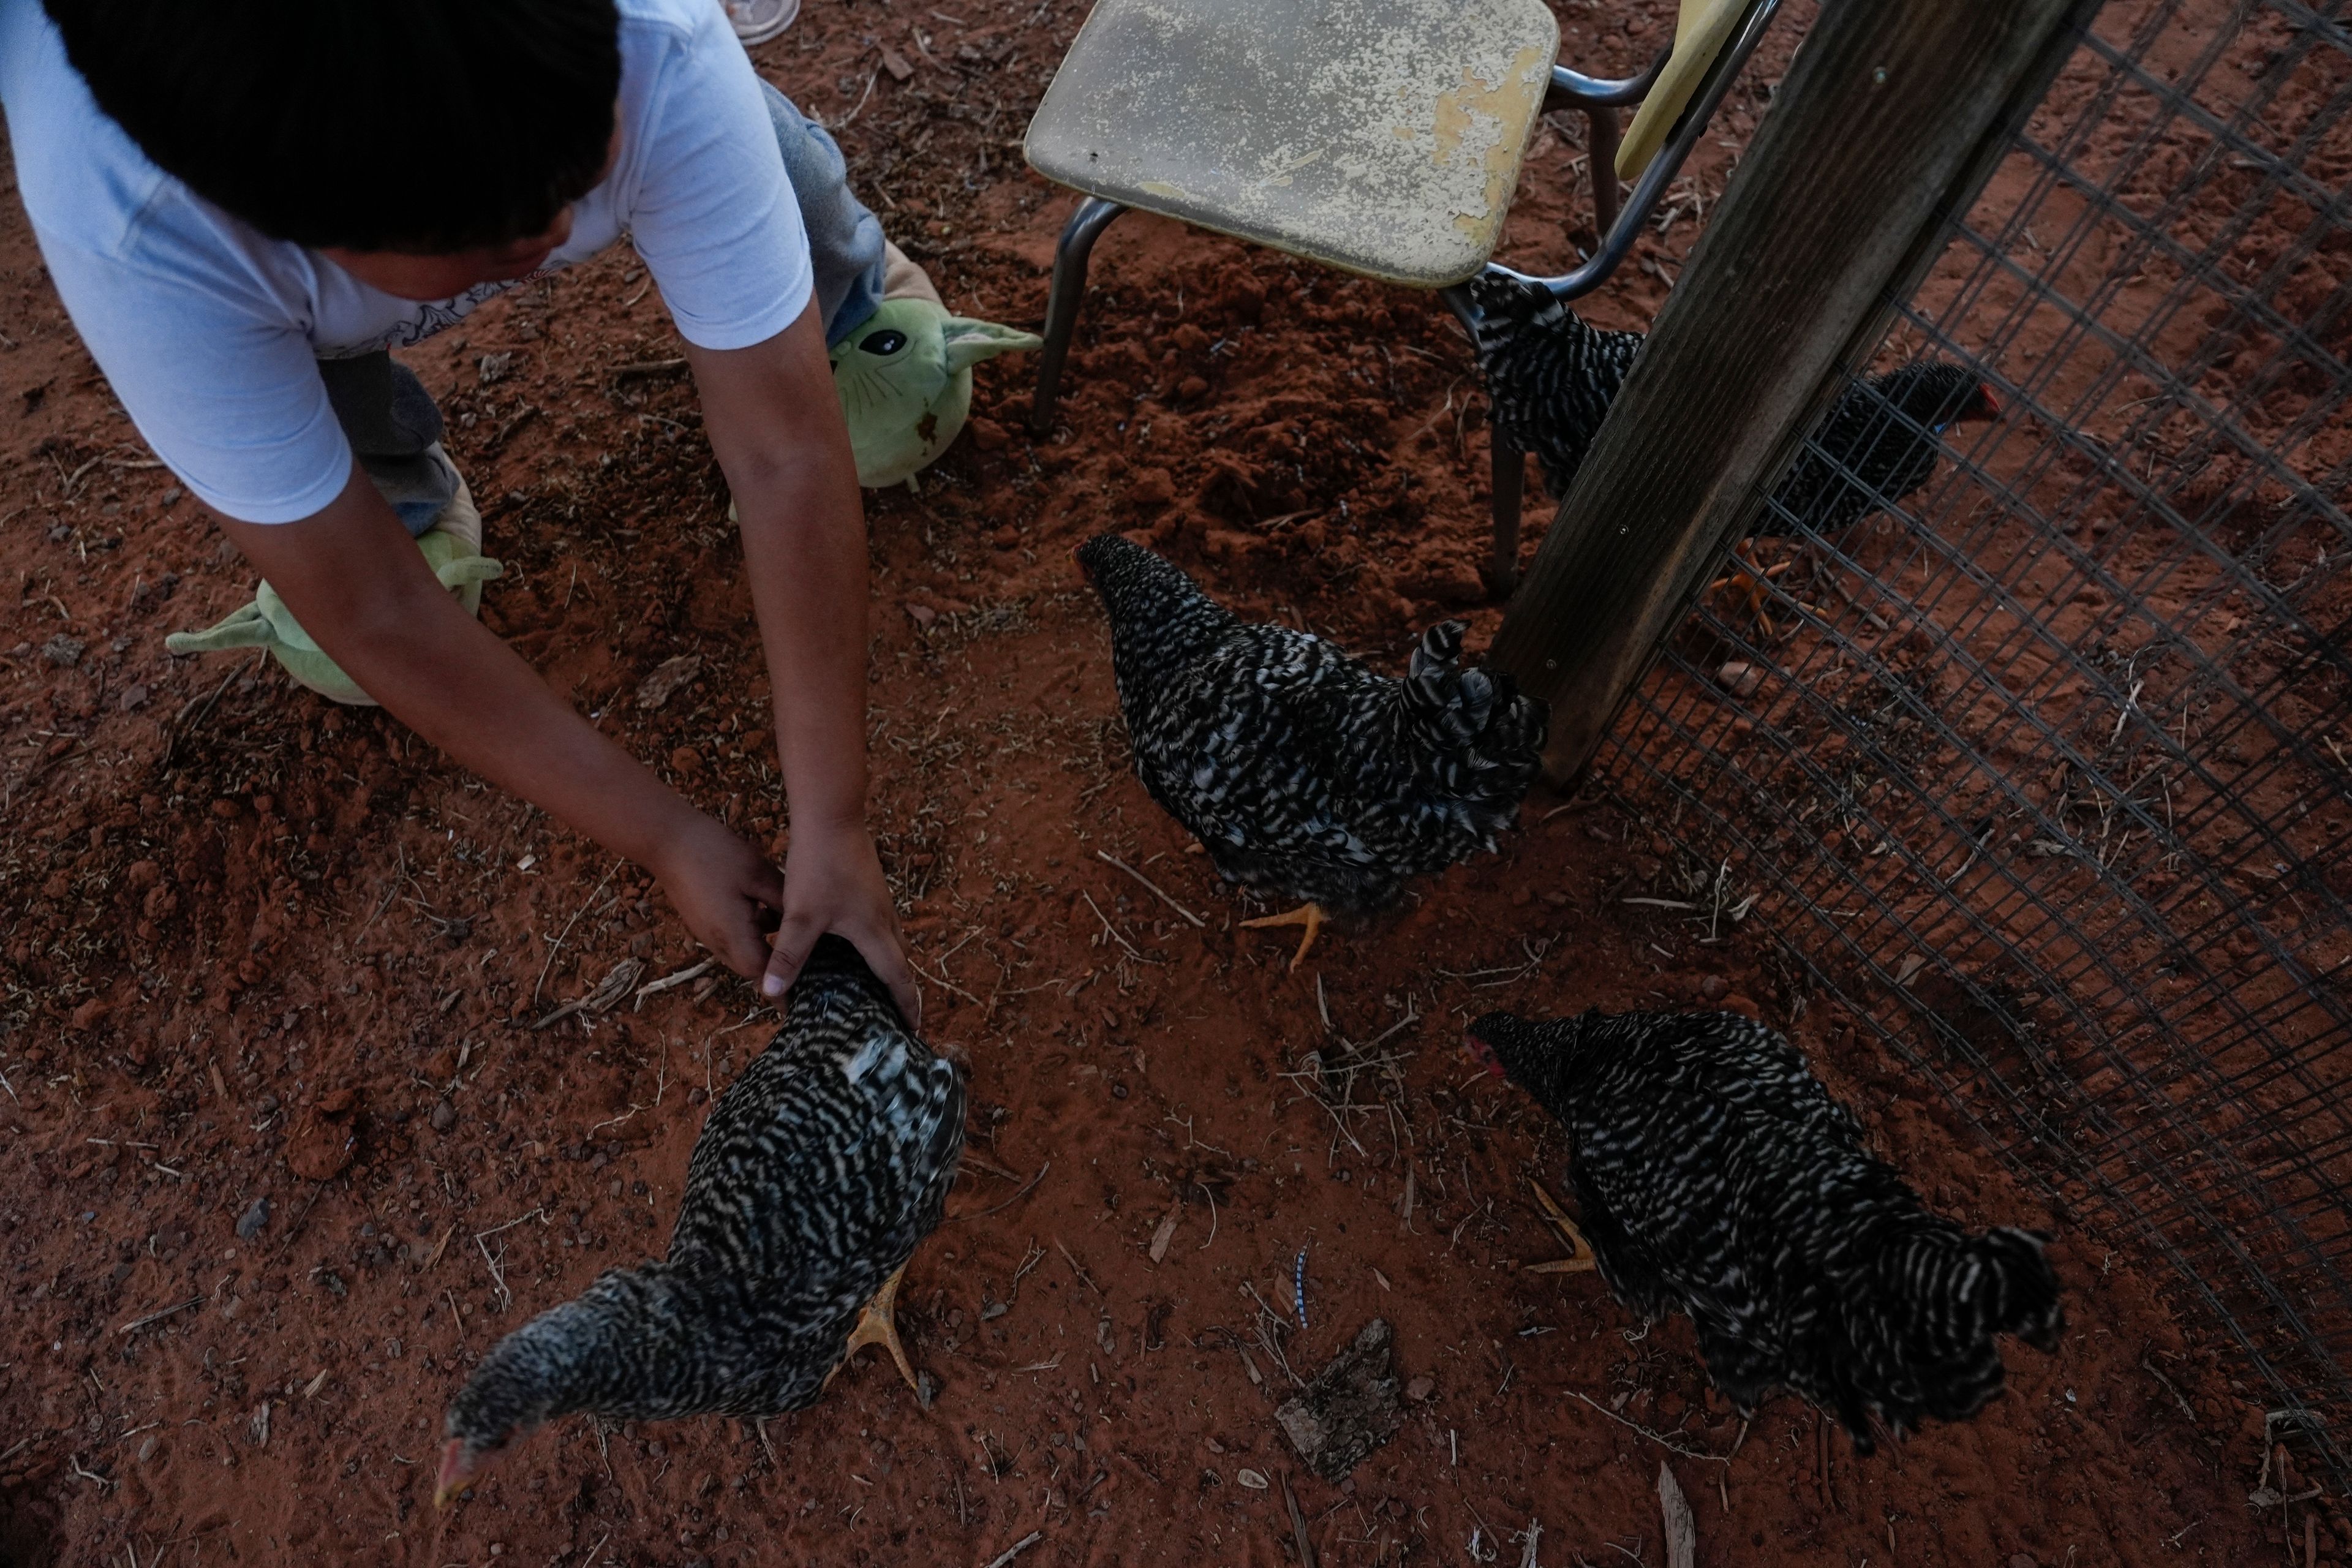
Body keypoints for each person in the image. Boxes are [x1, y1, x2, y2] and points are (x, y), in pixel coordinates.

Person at [0, 0, 921, 1016]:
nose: (564, 233)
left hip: (633, 81)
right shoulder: (141, 229)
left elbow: (785, 451)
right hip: (256, 260)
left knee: (723, 129)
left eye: (579, 170)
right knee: (345, 572)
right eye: (490, 240)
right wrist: (663, 834)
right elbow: (375, 613)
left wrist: (833, 818)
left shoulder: (653, 37)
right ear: (284, 224)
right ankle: (371, 458)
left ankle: (847, 294)